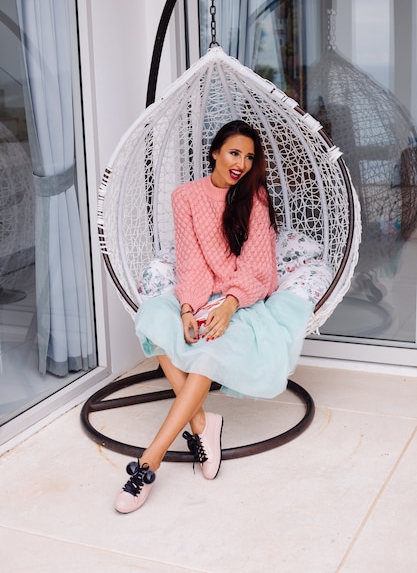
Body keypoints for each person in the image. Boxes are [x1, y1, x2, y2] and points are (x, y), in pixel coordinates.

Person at [114, 120, 313, 514]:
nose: (241, 163)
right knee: (157, 320)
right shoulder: (185, 197)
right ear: (215, 153)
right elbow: (190, 262)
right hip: (201, 294)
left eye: (249, 157)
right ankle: (203, 424)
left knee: (206, 351)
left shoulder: (253, 198)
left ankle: (147, 463)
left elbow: (258, 267)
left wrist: (228, 305)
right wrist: (188, 307)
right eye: (234, 153)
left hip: (242, 299)